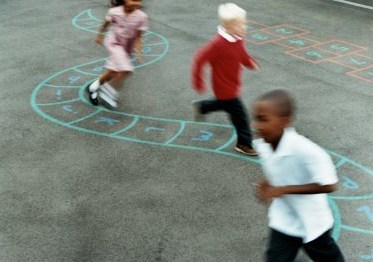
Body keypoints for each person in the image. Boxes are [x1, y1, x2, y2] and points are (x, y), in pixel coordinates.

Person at [252, 89, 345, 262]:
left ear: (284, 121)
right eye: (256, 118)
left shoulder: (307, 151)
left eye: (263, 119)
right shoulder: (263, 144)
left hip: (313, 221)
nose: (256, 125)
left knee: (328, 258)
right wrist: (266, 183)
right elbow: (278, 168)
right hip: (285, 220)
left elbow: (329, 184)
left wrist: (283, 189)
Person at [191, 3, 260, 156]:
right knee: (240, 116)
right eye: (242, 24)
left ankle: (202, 107)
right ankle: (244, 143)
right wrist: (198, 81)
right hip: (224, 87)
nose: (245, 26)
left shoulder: (237, 38)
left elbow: (241, 53)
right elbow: (199, 59)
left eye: (244, 23)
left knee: (224, 105)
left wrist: (250, 63)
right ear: (229, 26)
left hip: (232, 83)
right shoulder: (217, 44)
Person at [86, 0, 148, 108]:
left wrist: (138, 50)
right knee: (126, 70)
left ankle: (94, 86)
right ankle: (109, 92)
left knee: (113, 72)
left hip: (126, 46)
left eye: (139, 0)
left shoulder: (141, 16)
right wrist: (100, 34)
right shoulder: (114, 12)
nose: (136, 3)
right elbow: (105, 24)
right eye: (133, 0)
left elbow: (138, 37)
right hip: (114, 43)